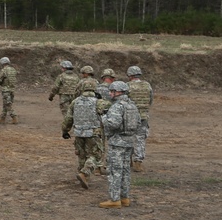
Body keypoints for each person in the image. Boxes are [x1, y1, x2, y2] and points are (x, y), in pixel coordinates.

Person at [99, 81, 141, 209]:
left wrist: (104, 117)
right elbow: (138, 123)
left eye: (112, 91)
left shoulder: (117, 106)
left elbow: (113, 124)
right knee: (125, 171)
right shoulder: (132, 106)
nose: (110, 93)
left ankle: (114, 199)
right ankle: (125, 197)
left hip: (117, 142)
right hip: (129, 141)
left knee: (114, 171)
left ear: (119, 92)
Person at [62, 80, 102, 189]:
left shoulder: (75, 101)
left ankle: (83, 177)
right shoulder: (97, 101)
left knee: (81, 154)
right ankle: (85, 173)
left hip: (78, 132)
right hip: (93, 132)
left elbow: (68, 118)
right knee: (95, 155)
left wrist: (65, 131)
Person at [126, 66, 154, 172]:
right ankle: (138, 161)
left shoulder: (127, 86)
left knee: (128, 137)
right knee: (140, 138)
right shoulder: (147, 85)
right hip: (143, 116)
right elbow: (150, 100)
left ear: (130, 75)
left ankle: (128, 159)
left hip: (130, 116)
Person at [0, 56, 18, 124]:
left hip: (6, 90)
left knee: (8, 105)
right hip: (12, 89)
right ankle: (2, 118)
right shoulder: (13, 70)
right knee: (5, 104)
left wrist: (1, 82)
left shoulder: (4, 70)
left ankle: (14, 117)